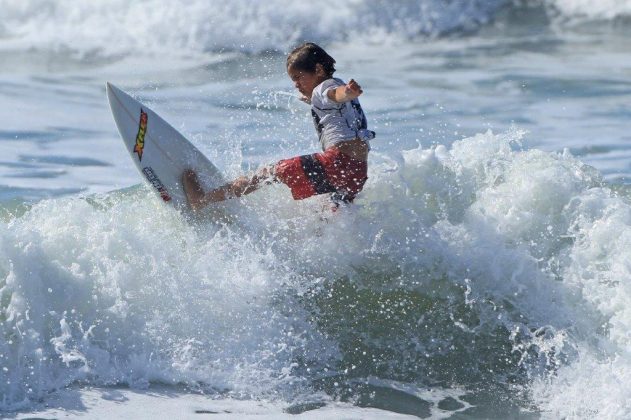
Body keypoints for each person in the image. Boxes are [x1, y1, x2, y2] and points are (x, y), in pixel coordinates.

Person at [182, 42, 375, 211]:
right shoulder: (330, 86)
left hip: (336, 163)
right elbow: (334, 104)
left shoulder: (325, 88)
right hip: (356, 173)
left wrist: (348, 92)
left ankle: (202, 200)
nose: (296, 85)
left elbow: (336, 94)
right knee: (327, 217)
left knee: (267, 173)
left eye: (299, 77)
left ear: (318, 70)